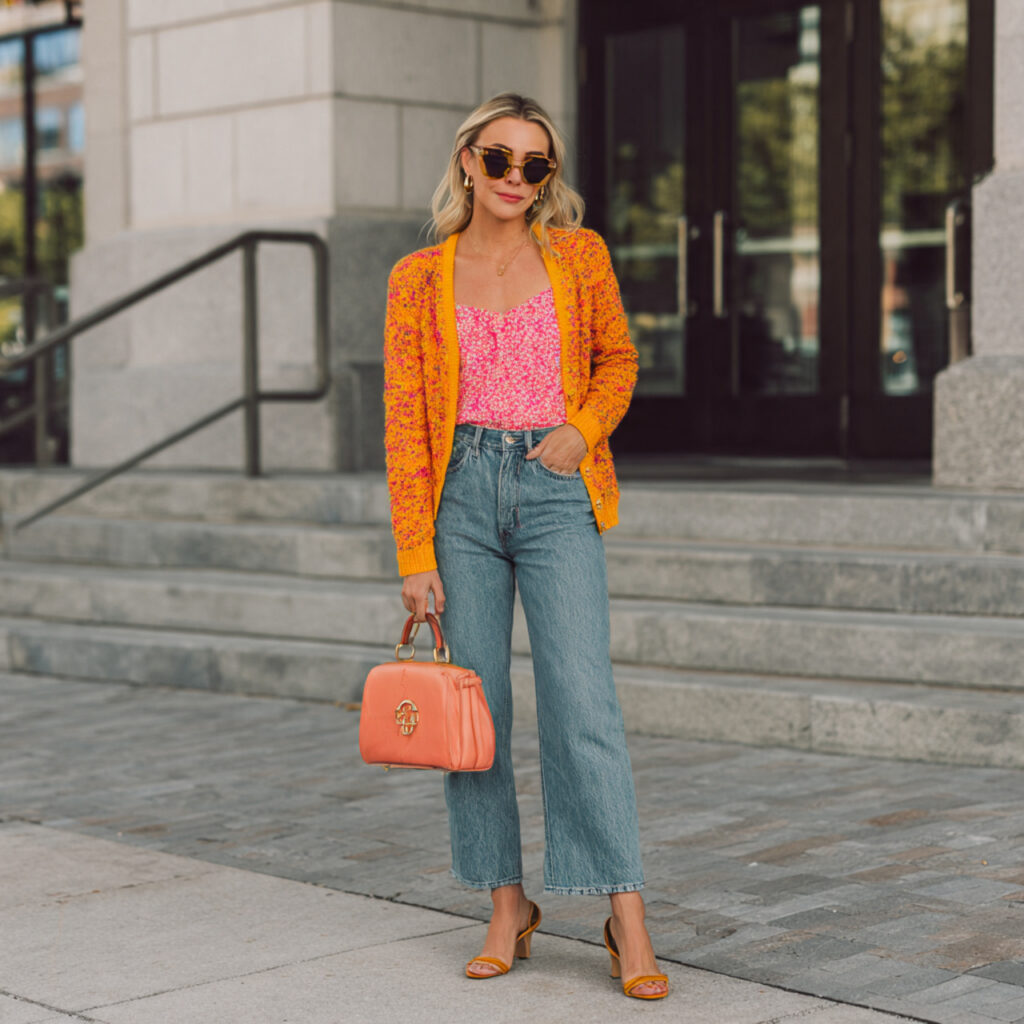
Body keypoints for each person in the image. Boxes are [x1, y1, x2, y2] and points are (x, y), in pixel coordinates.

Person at [382, 92, 668, 1001]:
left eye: (533, 164)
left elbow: (619, 362)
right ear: (467, 159)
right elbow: (402, 427)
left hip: (554, 490)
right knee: (480, 719)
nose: (514, 178)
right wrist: (412, 553)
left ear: (549, 175)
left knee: (584, 705)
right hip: (461, 494)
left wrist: (583, 429)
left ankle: (625, 915)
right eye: (498, 159)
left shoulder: (579, 256)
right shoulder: (415, 278)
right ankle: (508, 904)